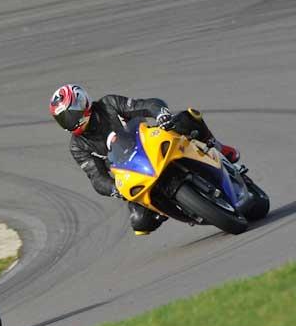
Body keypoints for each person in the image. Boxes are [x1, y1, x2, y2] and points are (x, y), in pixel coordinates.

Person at [49, 84, 240, 235]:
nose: (70, 122)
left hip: (148, 143)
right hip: (131, 171)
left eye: (70, 114)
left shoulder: (108, 104)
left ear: (83, 103)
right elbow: (96, 178)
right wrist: (115, 189)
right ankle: (179, 208)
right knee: (140, 223)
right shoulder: (77, 146)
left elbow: (146, 104)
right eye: (63, 119)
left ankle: (219, 146)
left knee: (185, 118)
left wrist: (161, 113)